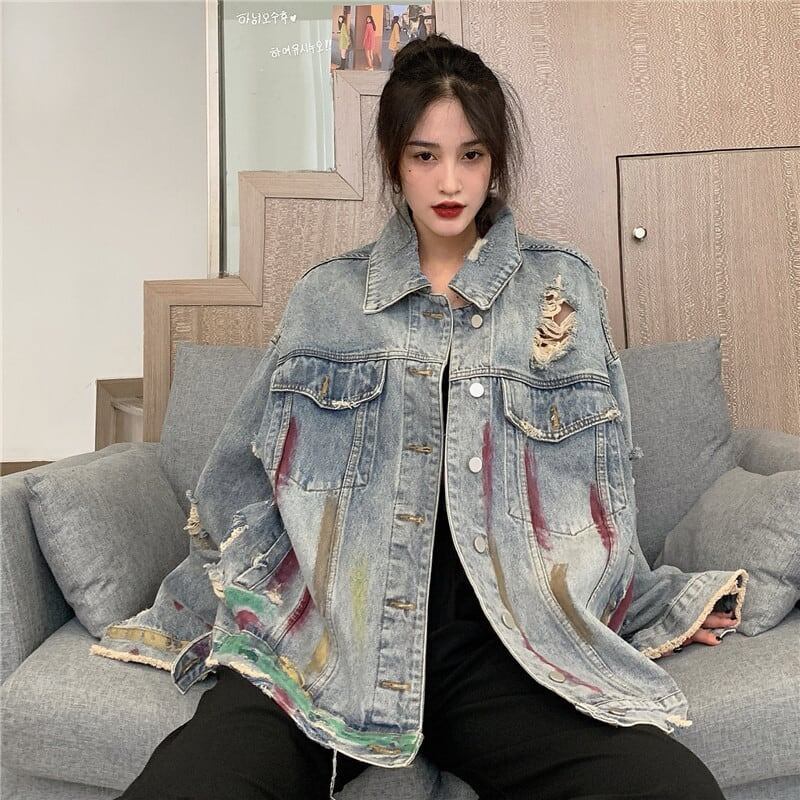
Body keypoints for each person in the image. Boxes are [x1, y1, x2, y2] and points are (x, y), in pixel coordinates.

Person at [117, 33, 744, 800]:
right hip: (332, 642)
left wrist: (647, 601)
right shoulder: (327, 297)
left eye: (470, 155)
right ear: (394, 162)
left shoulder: (563, 287)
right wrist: (213, 602)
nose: (450, 181)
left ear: (495, 160)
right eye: (424, 156)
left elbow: (601, 488)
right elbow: (242, 478)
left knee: (671, 789)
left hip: (507, 654)